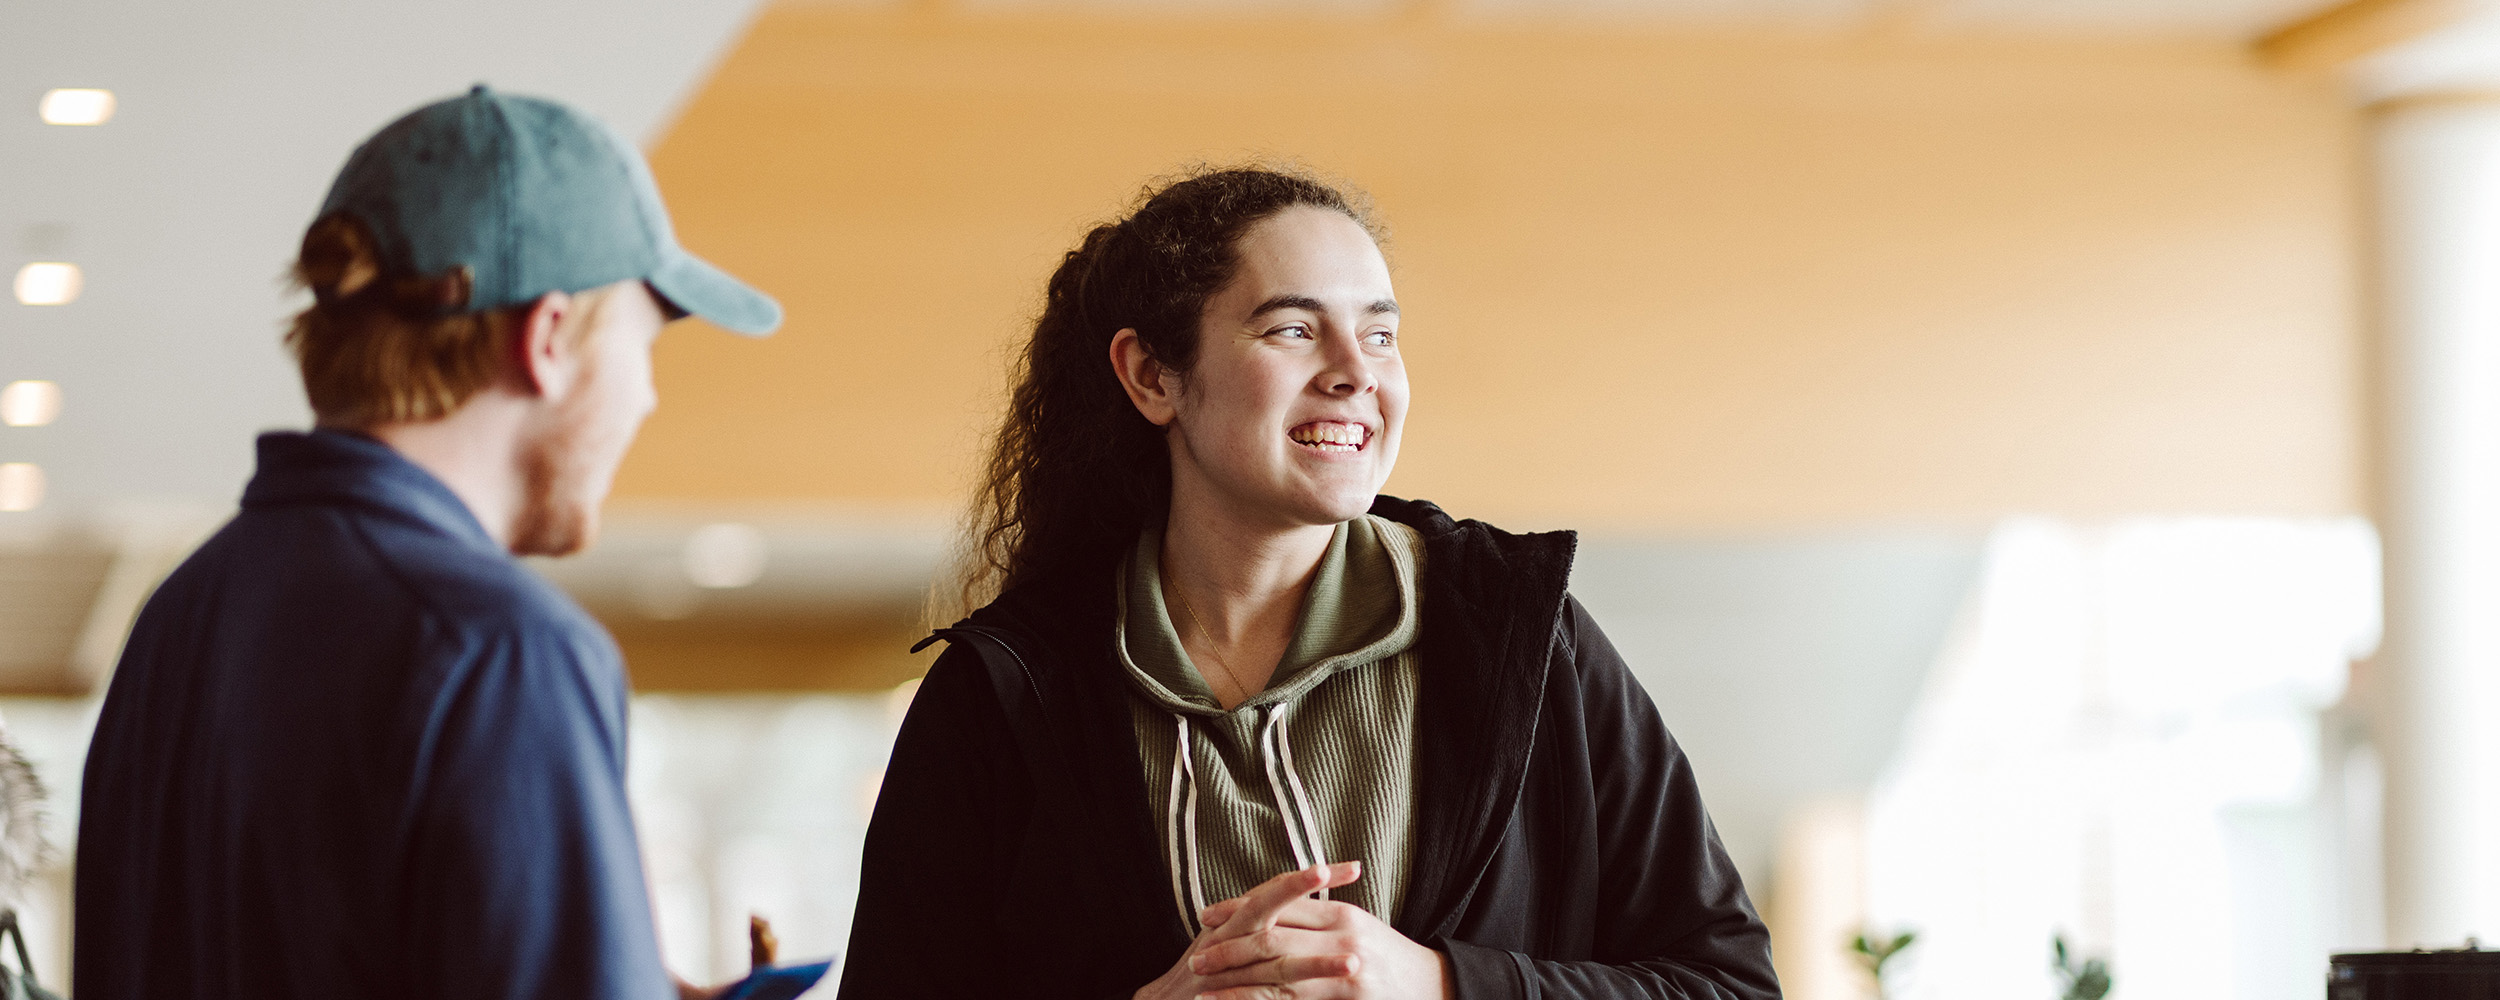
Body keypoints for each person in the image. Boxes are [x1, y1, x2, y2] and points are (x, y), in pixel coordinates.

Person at [840, 167, 1780, 999]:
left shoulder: (1526, 643)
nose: (1353, 375)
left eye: (1379, 335)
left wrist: (1442, 983)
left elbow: (1728, 985)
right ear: (1152, 376)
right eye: (1292, 328)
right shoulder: (1002, 694)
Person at [74, 86, 780, 1000]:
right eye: (646, 346)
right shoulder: (501, 649)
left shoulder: (176, 624)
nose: (646, 397)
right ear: (550, 339)